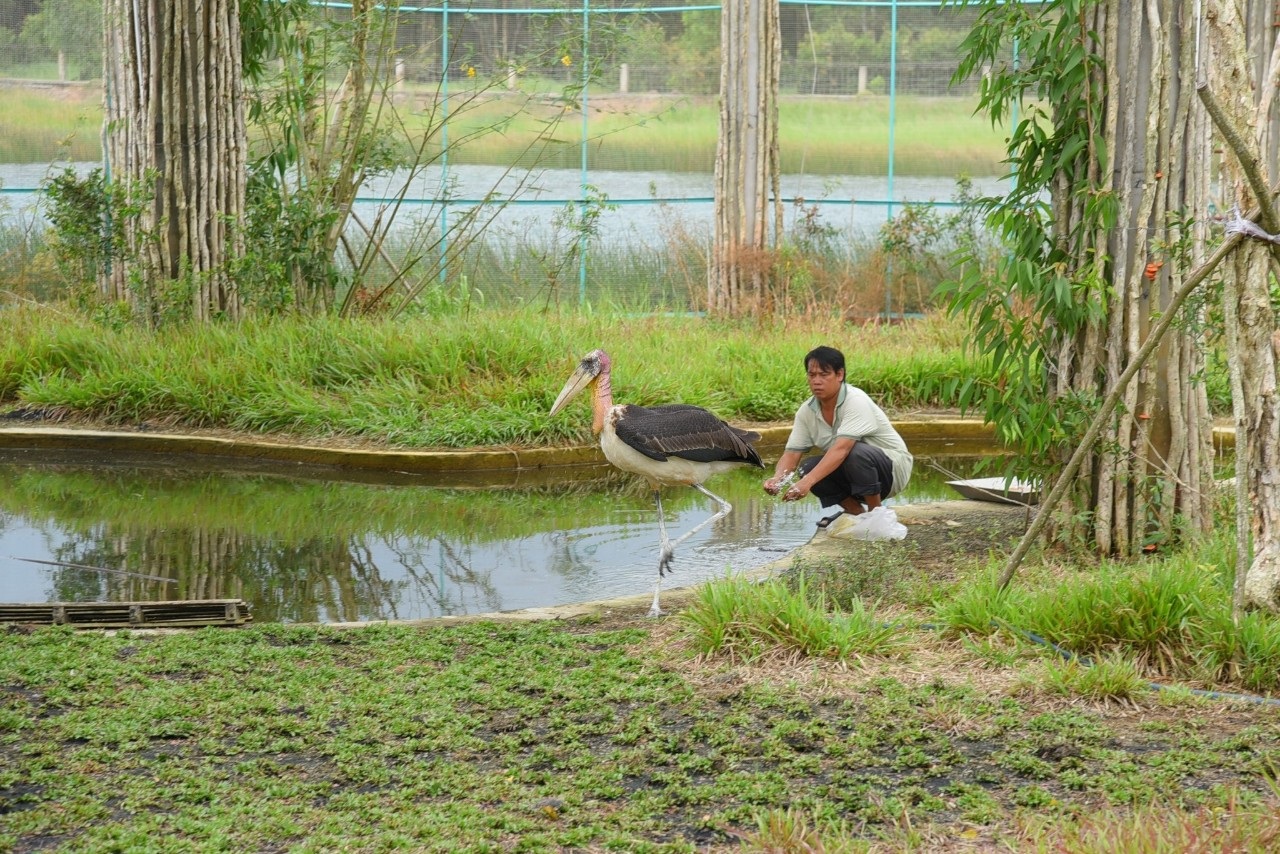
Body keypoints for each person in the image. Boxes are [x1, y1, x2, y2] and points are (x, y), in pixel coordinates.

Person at [763, 345, 912, 516]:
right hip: (855, 474)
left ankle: (876, 514)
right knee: (808, 467)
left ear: (839, 375)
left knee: (855, 452)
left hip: (893, 471)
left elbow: (842, 449)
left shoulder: (856, 401)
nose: (816, 381)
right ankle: (858, 515)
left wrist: (807, 482)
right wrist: (777, 480)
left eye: (824, 375)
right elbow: (791, 454)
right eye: (812, 375)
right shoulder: (807, 411)